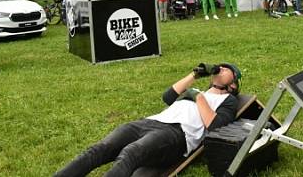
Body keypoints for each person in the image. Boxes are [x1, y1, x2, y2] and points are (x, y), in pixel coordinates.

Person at [55, 62, 242, 177]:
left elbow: (216, 126)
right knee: (99, 149)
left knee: (131, 153)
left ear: (233, 84)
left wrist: (198, 97)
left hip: (177, 133)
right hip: (151, 121)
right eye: (221, 66)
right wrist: (195, 75)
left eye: (228, 69)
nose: (222, 67)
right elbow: (168, 97)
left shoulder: (229, 100)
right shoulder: (197, 91)